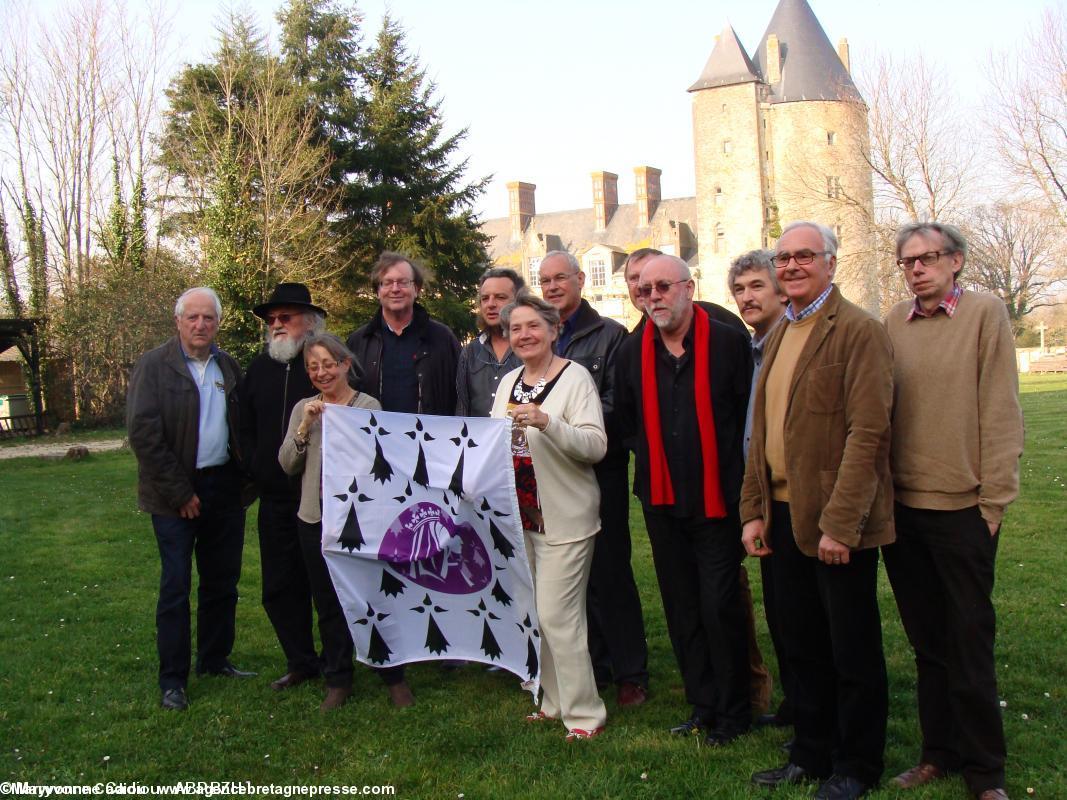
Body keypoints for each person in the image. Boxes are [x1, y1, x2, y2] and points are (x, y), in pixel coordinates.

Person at [741, 222, 893, 800]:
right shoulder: (782, 330)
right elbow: (763, 431)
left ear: (831, 262)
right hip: (780, 516)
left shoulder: (858, 331)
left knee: (850, 649)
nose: (793, 266)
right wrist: (753, 511)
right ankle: (811, 749)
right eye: (784, 257)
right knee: (799, 643)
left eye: (805, 255)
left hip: (834, 522)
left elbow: (869, 433)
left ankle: (856, 764)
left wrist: (841, 524)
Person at [883, 223, 1023, 800]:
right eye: (908, 261)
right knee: (927, 643)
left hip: (964, 508)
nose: (917, 268)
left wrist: (994, 501)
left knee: (968, 642)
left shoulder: (984, 314)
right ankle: (937, 753)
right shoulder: (893, 322)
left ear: (956, 261)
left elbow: (1000, 408)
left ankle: (985, 773)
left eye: (929, 258)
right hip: (903, 511)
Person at [625, 247, 773, 721]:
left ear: (689, 289)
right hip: (661, 500)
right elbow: (627, 420)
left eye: (663, 287)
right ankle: (702, 703)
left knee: (720, 605)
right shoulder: (632, 350)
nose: (653, 297)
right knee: (681, 607)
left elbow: (746, 418)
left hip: (717, 498)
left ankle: (734, 708)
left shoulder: (728, 344)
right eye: (645, 290)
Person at [127, 287, 253, 712]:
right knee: (176, 587)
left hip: (223, 488)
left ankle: (214, 659)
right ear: (178, 321)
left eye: (209, 319)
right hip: (173, 494)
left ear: (218, 324)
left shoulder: (227, 366)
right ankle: (173, 680)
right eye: (193, 318)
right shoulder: (154, 366)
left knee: (222, 583)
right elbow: (144, 434)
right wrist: (180, 492)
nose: (201, 325)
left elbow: (243, 426)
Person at [490, 292, 608, 740]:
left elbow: (595, 446)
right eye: (515, 328)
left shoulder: (575, 379)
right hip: (521, 518)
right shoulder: (508, 382)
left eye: (533, 326)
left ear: (554, 330)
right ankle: (554, 701)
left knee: (560, 616)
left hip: (566, 517)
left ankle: (585, 715)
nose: (523, 335)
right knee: (538, 616)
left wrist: (547, 423)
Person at [278, 332, 414, 711]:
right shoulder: (304, 408)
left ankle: (393, 675)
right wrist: (305, 426)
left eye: (328, 364)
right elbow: (287, 463)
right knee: (327, 601)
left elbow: (380, 459)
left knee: (372, 596)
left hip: (358, 521)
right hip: (315, 518)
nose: (322, 373)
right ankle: (338, 679)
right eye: (313, 367)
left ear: (344, 365)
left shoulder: (367, 404)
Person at [537, 250, 649, 707]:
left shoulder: (608, 336)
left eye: (559, 278)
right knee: (565, 575)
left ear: (581, 279)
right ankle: (591, 662)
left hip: (597, 470)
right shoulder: (540, 336)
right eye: (543, 281)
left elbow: (617, 405)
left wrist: (563, 424)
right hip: (547, 473)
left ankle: (630, 671)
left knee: (608, 569)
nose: (551, 287)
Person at [241, 283, 326, 691]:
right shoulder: (258, 369)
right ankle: (299, 660)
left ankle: (335, 660)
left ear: (308, 323)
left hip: (321, 497)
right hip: (275, 497)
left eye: (285, 318)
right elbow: (243, 426)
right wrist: (256, 467)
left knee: (325, 582)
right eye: (271, 320)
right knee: (278, 585)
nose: (276, 325)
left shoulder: (326, 368)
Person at [727, 249, 793, 729]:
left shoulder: (789, 342)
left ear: (779, 290)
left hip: (797, 494)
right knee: (783, 610)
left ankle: (817, 713)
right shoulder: (752, 346)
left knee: (805, 613)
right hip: (763, 492)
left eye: (756, 287)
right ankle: (799, 705)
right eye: (739, 290)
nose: (746, 298)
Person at [347, 251, 460, 415]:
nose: (395, 289)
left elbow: (461, 394)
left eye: (403, 282)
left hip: (429, 438)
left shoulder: (442, 338)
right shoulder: (359, 341)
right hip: (374, 438)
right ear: (378, 291)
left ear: (416, 289)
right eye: (387, 283)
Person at [456, 267, 524, 417]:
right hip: (478, 440)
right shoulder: (470, 352)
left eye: (500, 297)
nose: (490, 304)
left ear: (519, 301)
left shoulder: (530, 349)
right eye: (485, 298)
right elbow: (462, 411)